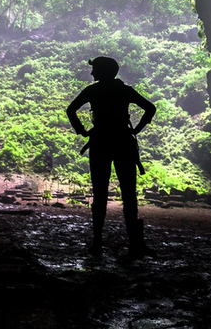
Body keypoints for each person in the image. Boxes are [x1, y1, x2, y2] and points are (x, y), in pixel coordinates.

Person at [66, 56, 156, 256]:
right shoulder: (124, 90)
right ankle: (134, 244)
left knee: (100, 194)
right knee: (129, 194)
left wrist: (83, 131)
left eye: (95, 69)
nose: (92, 73)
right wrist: (137, 130)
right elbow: (150, 108)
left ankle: (97, 243)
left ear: (103, 71)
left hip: (100, 143)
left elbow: (71, 110)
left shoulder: (93, 91)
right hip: (124, 142)